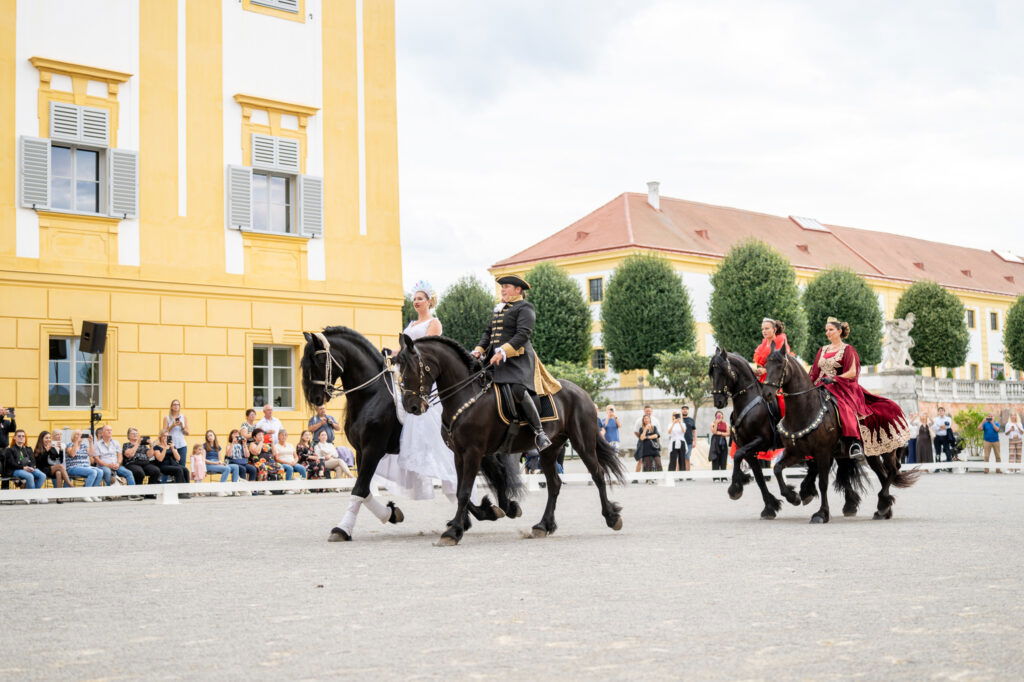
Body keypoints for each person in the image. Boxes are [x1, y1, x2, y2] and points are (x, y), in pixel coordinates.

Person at [377, 281, 481, 502]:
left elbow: (424, 347)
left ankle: (452, 479)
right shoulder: (411, 323)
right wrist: (390, 352)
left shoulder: (434, 322)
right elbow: (405, 348)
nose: (415, 302)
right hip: (409, 373)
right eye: (414, 299)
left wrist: (404, 352)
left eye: (420, 298)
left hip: (425, 377)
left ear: (429, 301)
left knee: (430, 429)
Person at [471, 274, 559, 451]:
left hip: (517, 361)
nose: (502, 289)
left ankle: (539, 433)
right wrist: (479, 350)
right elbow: (488, 334)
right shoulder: (500, 309)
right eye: (502, 287)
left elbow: (523, 334)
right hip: (494, 361)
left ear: (518, 290)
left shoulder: (525, 307)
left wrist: (503, 351)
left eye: (506, 286)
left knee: (517, 389)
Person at [808, 317, 911, 459]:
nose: (827, 333)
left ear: (839, 331)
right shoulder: (822, 350)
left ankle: (854, 443)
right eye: (826, 330)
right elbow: (814, 372)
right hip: (821, 386)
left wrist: (833, 378)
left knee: (844, 408)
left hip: (841, 387)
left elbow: (852, 372)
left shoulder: (848, 349)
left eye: (831, 330)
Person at [3, 429, 48, 500]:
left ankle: (32, 495)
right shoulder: (10, 450)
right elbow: (11, 464)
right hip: (15, 470)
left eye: (23, 436)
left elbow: (33, 461)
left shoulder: (28, 449)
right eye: (19, 436)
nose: (21, 437)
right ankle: (32, 496)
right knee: (30, 476)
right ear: (15, 438)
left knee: (42, 475)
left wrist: (32, 467)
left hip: (28, 468)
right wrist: (23, 468)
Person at [93, 425, 139, 492]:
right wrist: (108, 465)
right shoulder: (97, 444)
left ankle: (133, 493)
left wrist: (118, 463)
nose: (110, 431)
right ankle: (110, 493)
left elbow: (120, 456)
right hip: (103, 466)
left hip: (116, 466)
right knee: (107, 471)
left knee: (128, 473)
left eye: (110, 430)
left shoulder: (116, 442)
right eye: (107, 430)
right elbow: (97, 459)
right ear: (102, 433)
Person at [65, 430, 103, 499]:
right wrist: (76, 441)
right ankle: (85, 494)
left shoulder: (84, 446)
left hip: (85, 467)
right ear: (73, 437)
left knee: (100, 471)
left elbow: (92, 454)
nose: (80, 436)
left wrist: (90, 442)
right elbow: (72, 454)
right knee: (93, 472)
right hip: (73, 467)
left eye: (81, 435)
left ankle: (93, 493)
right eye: (77, 434)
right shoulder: (69, 445)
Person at [164, 399, 190, 474]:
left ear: (179, 407)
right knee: (170, 465)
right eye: (174, 404)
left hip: (181, 444)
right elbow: (164, 433)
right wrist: (172, 425)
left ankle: (181, 483)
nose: (176, 406)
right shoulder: (167, 418)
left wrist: (182, 426)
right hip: (170, 443)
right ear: (171, 407)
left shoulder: (183, 417)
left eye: (177, 404)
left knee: (182, 465)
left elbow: (187, 433)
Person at [709, 411, 730, 480]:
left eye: (721, 415)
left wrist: (720, 433)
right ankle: (716, 477)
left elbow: (728, 433)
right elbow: (714, 432)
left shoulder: (726, 423)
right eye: (718, 415)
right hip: (715, 442)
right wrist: (716, 423)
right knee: (715, 459)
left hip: (723, 441)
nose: (719, 416)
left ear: (723, 416)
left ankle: (724, 477)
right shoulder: (713, 423)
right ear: (715, 416)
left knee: (723, 459)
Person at [680, 405, 696, 470]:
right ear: (681, 411)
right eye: (683, 409)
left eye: (686, 409)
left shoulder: (691, 420)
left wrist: (694, 441)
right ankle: (680, 475)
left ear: (688, 410)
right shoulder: (679, 419)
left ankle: (688, 475)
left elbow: (694, 431)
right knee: (680, 458)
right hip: (680, 441)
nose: (684, 410)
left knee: (687, 457)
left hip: (689, 441)